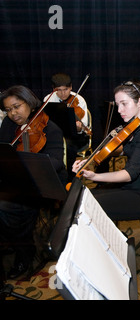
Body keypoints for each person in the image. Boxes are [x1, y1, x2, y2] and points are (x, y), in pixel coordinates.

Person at [72, 81, 140, 221]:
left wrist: (94, 176)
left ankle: (117, 241)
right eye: (118, 105)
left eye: (124, 104)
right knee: (83, 198)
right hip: (131, 186)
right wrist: (93, 157)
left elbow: (129, 174)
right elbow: (127, 150)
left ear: (139, 102)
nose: (119, 110)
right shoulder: (135, 124)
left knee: (86, 206)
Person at [0, 85, 67, 279]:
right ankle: (9, 240)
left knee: (5, 208)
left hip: (42, 184)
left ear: (29, 103)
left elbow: (56, 161)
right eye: (8, 110)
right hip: (15, 179)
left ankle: (25, 252)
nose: (13, 113)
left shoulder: (49, 127)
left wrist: (30, 164)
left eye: (16, 106)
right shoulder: (8, 125)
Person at [44, 73, 90, 181]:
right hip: (55, 134)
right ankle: (51, 177)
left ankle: (70, 178)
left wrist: (78, 127)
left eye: (65, 89)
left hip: (74, 136)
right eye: (58, 90)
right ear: (53, 89)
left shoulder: (79, 100)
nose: (63, 93)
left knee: (69, 147)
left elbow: (84, 127)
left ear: (71, 87)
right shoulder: (48, 99)